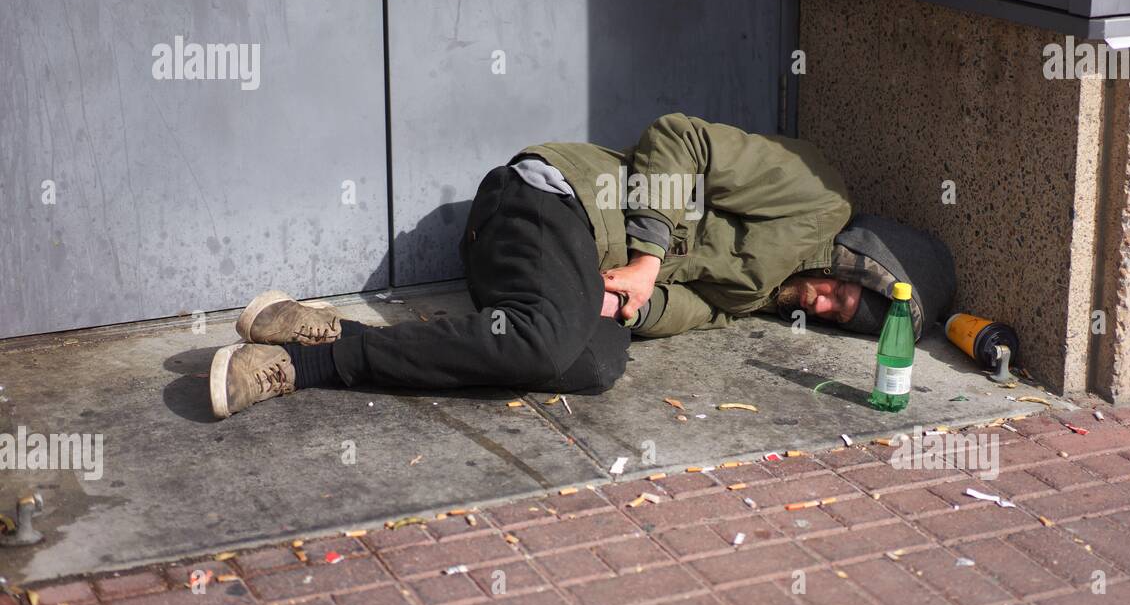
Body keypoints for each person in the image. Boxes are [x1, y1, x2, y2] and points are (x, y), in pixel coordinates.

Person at [209, 114, 954, 418]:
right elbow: (679, 139)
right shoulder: (818, 196)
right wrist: (645, 259)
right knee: (547, 342)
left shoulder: (762, 293)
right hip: (547, 200)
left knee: (594, 366)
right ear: (863, 261)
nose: (827, 309)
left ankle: (322, 327)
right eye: (846, 296)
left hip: (550, 273)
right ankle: (307, 365)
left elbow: (675, 310)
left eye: (845, 323)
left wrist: (629, 303)